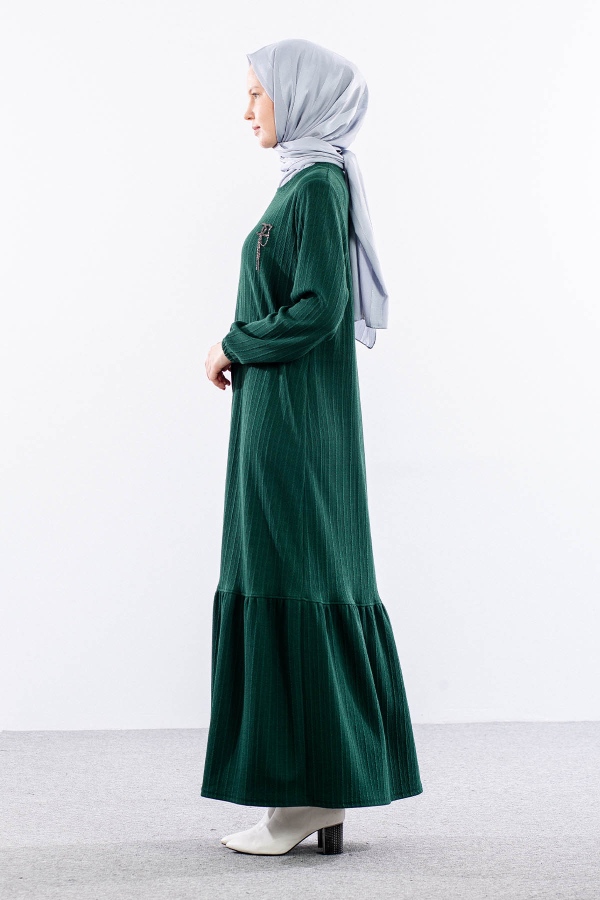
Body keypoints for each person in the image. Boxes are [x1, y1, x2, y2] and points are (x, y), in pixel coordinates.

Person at [202, 38, 423, 857]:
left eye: (257, 94)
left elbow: (318, 308)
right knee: (285, 576)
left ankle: (310, 794)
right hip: (280, 418)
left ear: (297, 97)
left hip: (295, 427)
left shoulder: (319, 187)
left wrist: (233, 343)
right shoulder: (303, 183)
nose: (247, 110)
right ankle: (302, 794)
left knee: (294, 578)